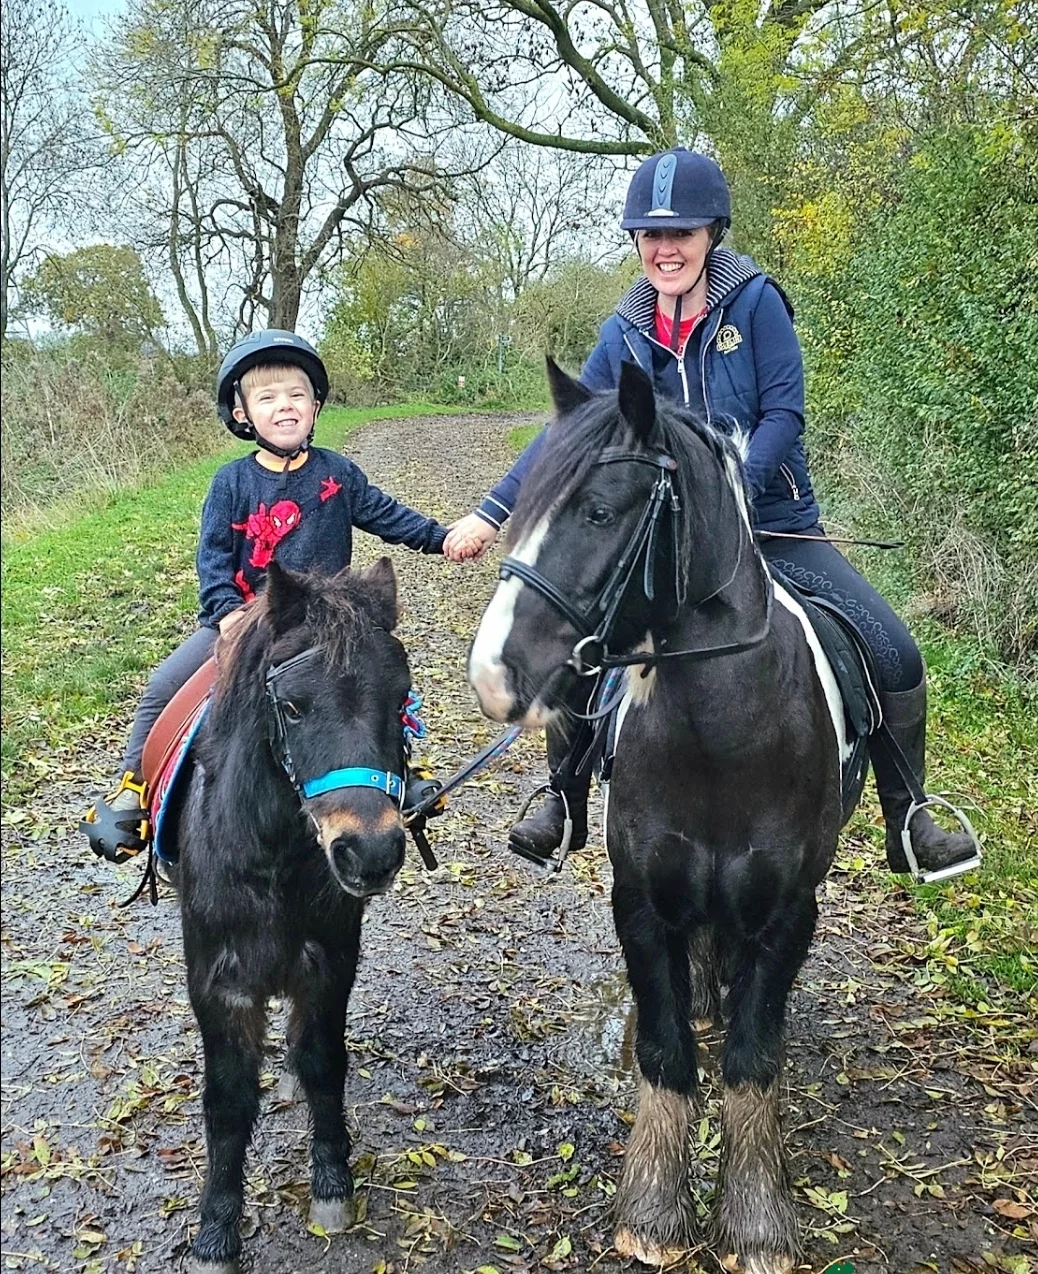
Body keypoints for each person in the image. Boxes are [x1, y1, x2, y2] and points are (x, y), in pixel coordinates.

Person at [445, 146, 979, 880]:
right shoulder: (624, 332)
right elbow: (567, 436)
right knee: (580, 638)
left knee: (892, 646)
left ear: (711, 234)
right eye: (651, 236)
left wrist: (732, 497)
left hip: (774, 526)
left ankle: (909, 812)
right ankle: (564, 796)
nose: (666, 249)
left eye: (683, 234)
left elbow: (783, 414)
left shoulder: (755, 302)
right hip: (663, 545)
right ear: (637, 243)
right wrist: (493, 509)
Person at [82, 328, 482, 864]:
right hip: (246, 618)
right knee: (165, 685)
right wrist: (224, 613)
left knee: (372, 683)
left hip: (325, 622)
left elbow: (389, 517)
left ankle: (402, 769)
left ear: (315, 406)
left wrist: (442, 537)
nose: (284, 407)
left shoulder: (338, 475)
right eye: (267, 398)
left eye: (296, 395)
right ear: (244, 414)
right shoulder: (231, 482)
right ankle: (135, 787)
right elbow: (214, 557)